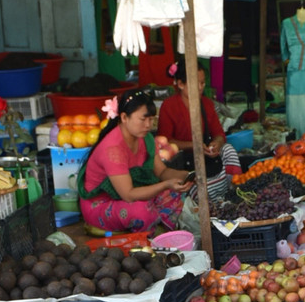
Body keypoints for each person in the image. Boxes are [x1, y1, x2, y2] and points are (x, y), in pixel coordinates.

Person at [76, 89, 193, 233]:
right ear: (124, 117)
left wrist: (186, 176)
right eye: (143, 119)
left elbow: (162, 171)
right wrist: (166, 184)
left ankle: (161, 231)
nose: (148, 125)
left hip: (127, 196)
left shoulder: (145, 138)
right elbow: (129, 194)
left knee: (176, 193)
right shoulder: (113, 149)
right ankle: (150, 237)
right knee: (141, 211)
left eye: (151, 119)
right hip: (101, 205)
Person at [156, 60, 240, 199]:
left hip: (207, 158)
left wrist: (216, 144)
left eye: (203, 83)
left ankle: (234, 192)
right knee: (193, 187)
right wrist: (194, 146)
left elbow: (219, 134)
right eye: (197, 83)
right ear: (181, 84)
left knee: (229, 149)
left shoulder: (206, 104)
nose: (201, 87)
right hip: (183, 162)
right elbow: (165, 143)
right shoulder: (169, 106)